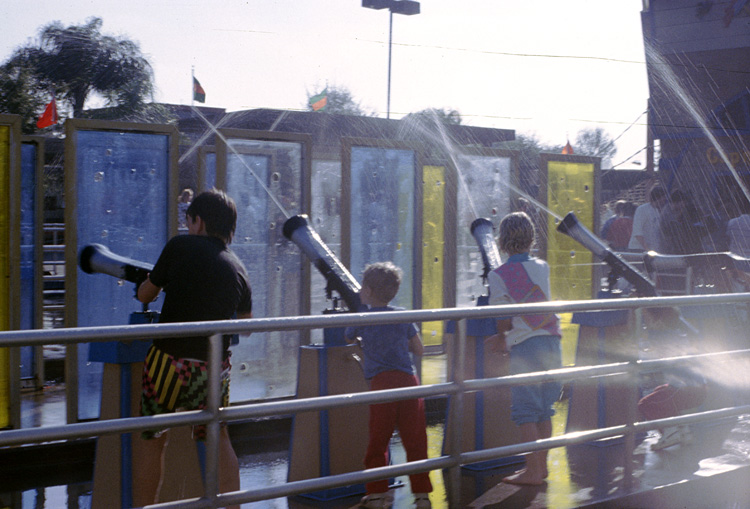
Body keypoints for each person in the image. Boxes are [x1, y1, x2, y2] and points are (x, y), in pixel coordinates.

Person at [133, 189, 253, 507]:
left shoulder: (179, 245)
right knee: (218, 437)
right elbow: (247, 323)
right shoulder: (238, 266)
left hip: (167, 361)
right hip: (212, 368)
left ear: (197, 221)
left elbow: (147, 294)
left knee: (152, 438)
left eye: (189, 221)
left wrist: (146, 285)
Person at [344, 262, 433, 509]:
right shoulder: (402, 315)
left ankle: (376, 495)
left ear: (369, 292)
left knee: (378, 441)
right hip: (408, 382)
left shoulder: (364, 316)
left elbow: (348, 336)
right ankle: (422, 496)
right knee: (415, 440)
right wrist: (396, 346)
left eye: (363, 286)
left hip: (381, 383)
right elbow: (419, 349)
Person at [487, 212, 562, 486]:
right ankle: (541, 467)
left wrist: (499, 336)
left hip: (526, 347)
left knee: (525, 411)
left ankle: (531, 471)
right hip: (552, 342)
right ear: (532, 239)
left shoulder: (499, 276)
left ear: (502, 242)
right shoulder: (542, 267)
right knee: (545, 409)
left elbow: (505, 319)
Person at [659, 190, 704, 255]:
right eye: (682, 203)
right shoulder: (667, 212)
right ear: (677, 202)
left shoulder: (681, 210)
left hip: (682, 244)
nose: (684, 205)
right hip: (671, 246)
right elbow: (673, 226)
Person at [628, 185, 668, 252]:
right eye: (664, 197)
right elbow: (637, 232)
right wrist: (647, 249)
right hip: (638, 249)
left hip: (653, 250)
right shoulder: (642, 209)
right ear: (659, 197)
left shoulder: (657, 211)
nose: (665, 200)